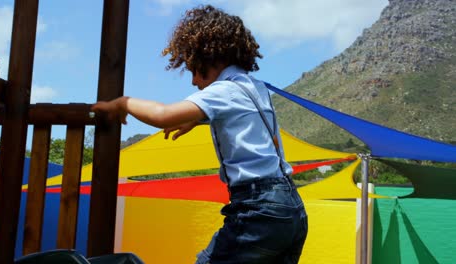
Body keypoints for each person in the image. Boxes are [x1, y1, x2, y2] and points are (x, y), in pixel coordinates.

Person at [92, 5, 308, 264]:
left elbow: (162, 115)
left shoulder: (224, 91)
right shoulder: (255, 88)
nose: (194, 81)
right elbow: (247, 123)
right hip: (290, 208)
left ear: (210, 58)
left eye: (194, 69)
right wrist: (198, 119)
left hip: (258, 209)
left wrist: (122, 103)